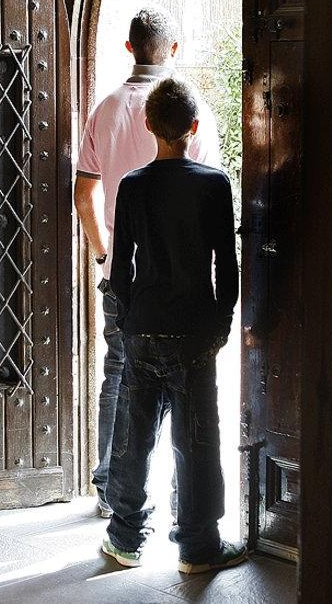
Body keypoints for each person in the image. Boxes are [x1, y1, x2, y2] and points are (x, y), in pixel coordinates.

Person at [74, 7, 220, 519]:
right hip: (182, 277)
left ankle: (110, 491)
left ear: (130, 47)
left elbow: (84, 193)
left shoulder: (106, 110)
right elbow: (206, 191)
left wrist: (103, 251)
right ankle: (190, 511)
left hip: (125, 272)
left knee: (118, 374)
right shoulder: (193, 109)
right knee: (190, 392)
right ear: (173, 50)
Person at [99, 77, 244, 574]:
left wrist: (124, 318)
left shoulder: (132, 186)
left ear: (147, 125)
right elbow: (226, 261)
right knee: (198, 439)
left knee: (133, 438)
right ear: (194, 127)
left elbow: (121, 267)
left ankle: (124, 540)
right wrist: (223, 319)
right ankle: (198, 548)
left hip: (143, 329)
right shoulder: (213, 184)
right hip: (195, 332)